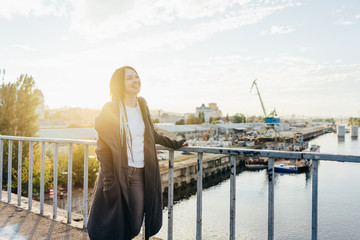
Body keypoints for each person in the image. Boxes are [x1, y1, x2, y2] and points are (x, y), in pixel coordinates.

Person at [87, 66, 187, 240]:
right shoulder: (110, 109)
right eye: (129, 78)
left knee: (134, 225)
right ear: (120, 83)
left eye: (137, 76)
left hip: (140, 174)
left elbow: (151, 134)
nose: (136, 80)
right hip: (118, 174)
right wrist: (110, 181)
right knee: (114, 222)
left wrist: (176, 144)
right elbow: (102, 148)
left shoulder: (142, 105)